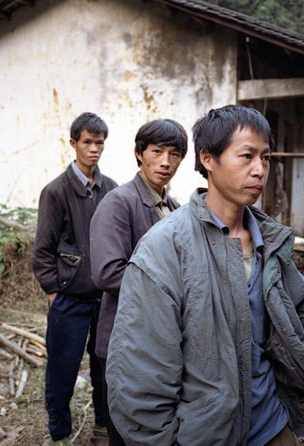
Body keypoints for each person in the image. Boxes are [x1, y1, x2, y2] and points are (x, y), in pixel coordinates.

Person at [106, 105, 304, 446]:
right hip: (204, 436)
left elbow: (298, 336)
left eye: (266, 157)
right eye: (246, 156)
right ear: (208, 159)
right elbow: (141, 378)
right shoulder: (164, 249)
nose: (259, 170)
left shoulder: (271, 242)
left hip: (272, 425)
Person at [90, 119, 188, 446]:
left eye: (174, 154)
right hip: (125, 340)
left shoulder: (173, 208)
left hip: (160, 342)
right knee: (126, 433)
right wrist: (170, 289)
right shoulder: (119, 202)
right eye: (157, 151)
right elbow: (107, 272)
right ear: (139, 154)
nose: (165, 162)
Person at [32, 112, 117, 446]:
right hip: (68, 301)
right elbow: (43, 251)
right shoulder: (56, 191)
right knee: (62, 372)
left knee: (105, 371)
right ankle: (60, 434)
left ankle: (102, 428)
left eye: (100, 143)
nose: (94, 149)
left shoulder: (111, 189)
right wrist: (54, 293)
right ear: (73, 144)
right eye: (87, 142)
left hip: (105, 300)